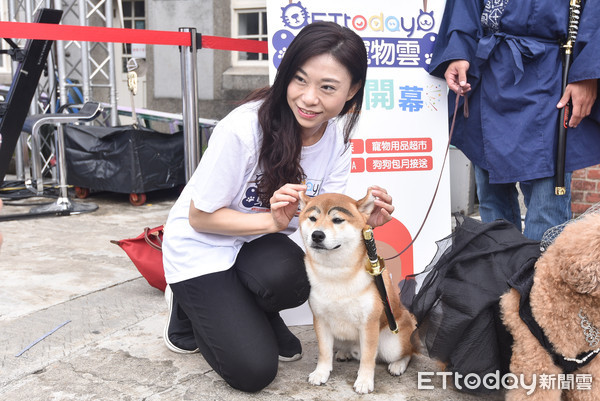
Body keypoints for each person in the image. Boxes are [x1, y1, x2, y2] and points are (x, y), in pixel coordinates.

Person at [161, 21, 395, 393]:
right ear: (285, 75)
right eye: (300, 80)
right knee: (253, 372)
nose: (308, 98)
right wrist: (272, 222)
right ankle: (186, 304)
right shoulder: (242, 129)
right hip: (201, 246)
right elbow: (199, 217)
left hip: (254, 246)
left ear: (352, 92)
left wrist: (365, 221)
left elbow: (326, 217)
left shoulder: (337, 137)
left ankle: (251, 309)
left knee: (293, 279)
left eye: (328, 87)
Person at [428, 0, 600, 240]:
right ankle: (499, 273)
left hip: (551, 75)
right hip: (489, 69)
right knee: (491, 200)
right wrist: (460, 50)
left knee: (547, 205)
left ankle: (543, 277)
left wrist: (587, 74)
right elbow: (464, 8)